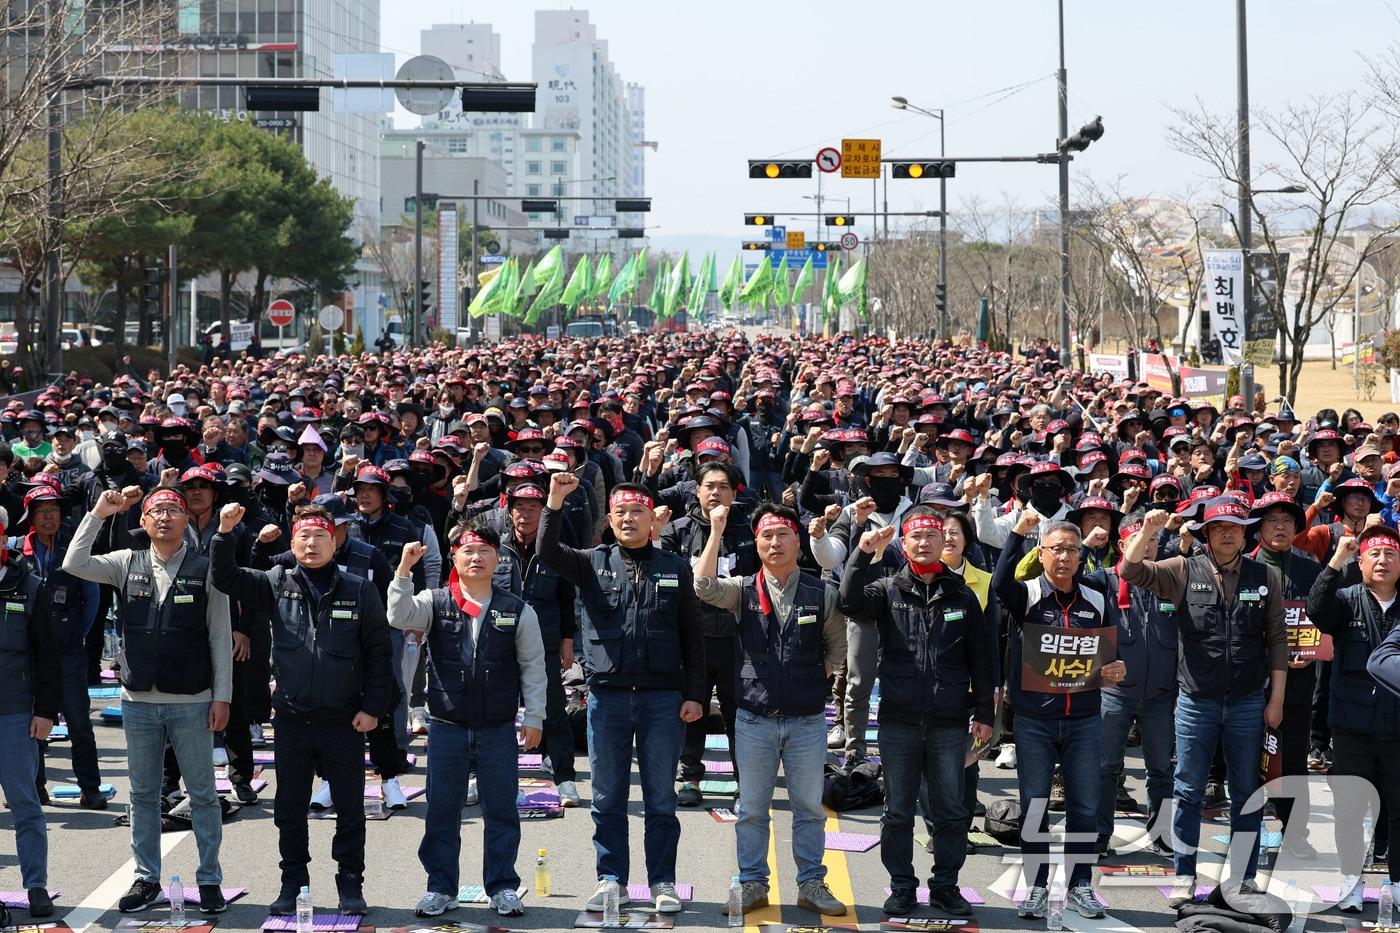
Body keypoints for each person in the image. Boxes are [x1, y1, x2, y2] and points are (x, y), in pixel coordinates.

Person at [209, 501, 394, 917]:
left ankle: (350, 884)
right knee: (290, 812)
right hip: (292, 719)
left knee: (349, 811)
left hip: (344, 720)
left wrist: (373, 709)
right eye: (304, 538)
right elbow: (225, 578)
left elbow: (380, 654)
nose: (312, 544)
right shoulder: (277, 580)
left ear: (336, 542)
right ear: (292, 545)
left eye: (320, 537)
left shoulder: (359, 588)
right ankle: (294, 883)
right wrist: (224, 534)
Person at [537, 474, 706, 915]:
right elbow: (547, 552)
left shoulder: (675, 566)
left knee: (661, 799)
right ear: (609, 521)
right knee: (607, 797)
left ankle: (663, 882)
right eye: (621, 513)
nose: (629, 519)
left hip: (662, 698)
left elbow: (694, 637)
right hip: (607, 698)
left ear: (654, 520)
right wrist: (555, 501)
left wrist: (695, 695)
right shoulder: (591, 562)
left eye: (638, 512)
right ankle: (611, 880)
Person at [62, 485, 232, 915]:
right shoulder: (125, 562)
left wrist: (222, 697)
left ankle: (209, 878)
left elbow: (219, 638)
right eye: (156, 510)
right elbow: (74, 562)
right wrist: (98, 513)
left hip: (192, 700)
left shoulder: (207, 568)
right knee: (142, 795)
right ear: (143, 521)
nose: (164, 517)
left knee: (203, 794)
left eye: (173, 510)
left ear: (186, 520)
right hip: (137, 700)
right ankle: (146, 877)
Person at [1121, 500, 1288, 905]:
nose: (1227, 533)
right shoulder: (1181, 569)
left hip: (1249, 701)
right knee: (1188, 790)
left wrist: (1276, 699)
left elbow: (1277, 640)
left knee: (1247, 791)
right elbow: (1129, 571)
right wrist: (1149, 531)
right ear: (1206, 534)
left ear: (1245, 532)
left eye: (1234, 526)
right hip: (1195, 701)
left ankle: (1243, 880)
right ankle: (1183, 875)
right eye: (1218, 527)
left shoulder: (1265, 575)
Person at [839, 508, 995, 918]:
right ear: (902, 544)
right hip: (898, 720)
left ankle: (945, 886)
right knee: (897, 812)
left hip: (949, 721)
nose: (924, 542)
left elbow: (982, 658)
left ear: (945, 542)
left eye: (932, 534)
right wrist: (861, 554)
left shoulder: (962, 594)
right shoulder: (886, 589)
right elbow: (848, 601)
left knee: (951, 812)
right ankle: (902, 887)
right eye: (915, 536)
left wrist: (984, 713)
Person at [694, 502, 846, 918]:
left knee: (810, 809)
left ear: (798, 541)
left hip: (807, 720)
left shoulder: (822, 591)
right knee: (751, 810)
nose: (775, 543)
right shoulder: (743, 588)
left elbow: (837, 648)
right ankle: (752, 883)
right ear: (757, 544)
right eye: (766, 536)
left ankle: (811, 883)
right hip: (754, 719)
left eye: (783, 535)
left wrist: (812, 680)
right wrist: (715, 530)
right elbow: (703, 586)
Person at [388, 527, 547, 919]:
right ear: (455, 560)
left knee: (501, 812)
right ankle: (440, 887)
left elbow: (533, 666)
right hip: (446, 724)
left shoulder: (516, 608)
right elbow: (399, 616)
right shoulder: (435, 600)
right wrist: (403, 572)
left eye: (484, 552)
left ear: (498, 560)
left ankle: (503, 887)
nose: (476, 558)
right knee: (442, 810)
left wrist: (536, 716)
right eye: (467, 552)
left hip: (497, 727)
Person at [994, 509, 1125, 920]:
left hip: (1085, 719)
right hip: (1034, 720)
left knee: (1084, 807)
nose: (1065, 557)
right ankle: (1035, 886)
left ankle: (1081, 885)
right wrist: (1017, 534)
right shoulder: (1027, 594)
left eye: (1072, 549)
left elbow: (1109, 655)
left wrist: (1115, 669)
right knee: (1035, 806)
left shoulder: (1096, 598)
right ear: (1043, 553)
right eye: (1057, 549)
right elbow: (999, 583)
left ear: (1081, 557)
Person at [1310, 528, 1400, 914]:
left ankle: (1397, 883)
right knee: (1349, 808)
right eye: (1374, 554)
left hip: (1397, 727)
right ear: (1360, 562)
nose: (1382, 561)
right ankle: (1350, 881)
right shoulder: (1345, 600)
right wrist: (1335, 561)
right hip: (1351, 725)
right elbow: (1315, 609)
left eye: (1390, 554)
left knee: (1399, 808)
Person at [11, 487, 103, 809]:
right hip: (28, 656)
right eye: (42, 510)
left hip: (68, 653)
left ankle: (90, 789)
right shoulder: (16, 551)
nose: (49, 516)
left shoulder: (74, 550)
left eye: (54, 509)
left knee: (79, 722)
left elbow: (92, 601)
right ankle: (35, 789)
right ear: (31, 517)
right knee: (31, 724)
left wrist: (75, 634)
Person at [0, 502, 62, 923]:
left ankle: (35, 886)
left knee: (25, 804)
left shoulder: (31, 585)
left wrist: (45, 711)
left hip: (16, 711)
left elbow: (48, 655)